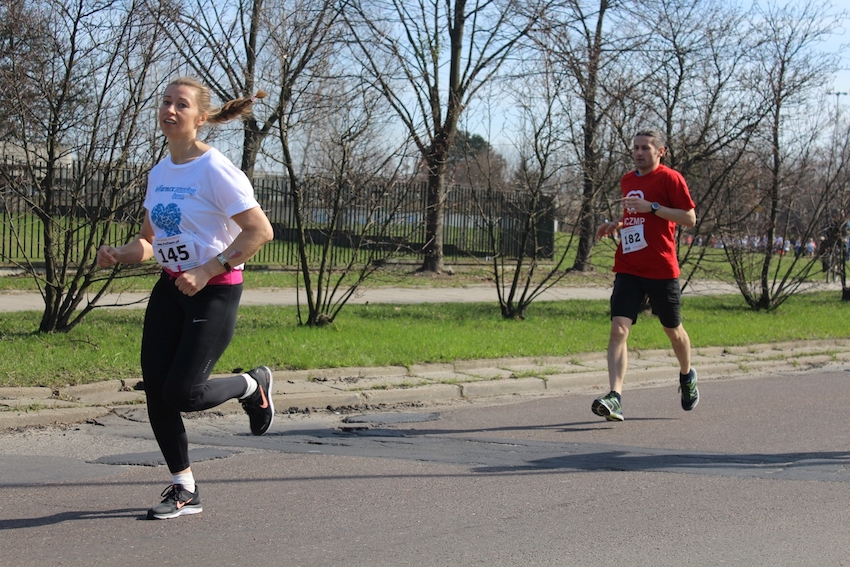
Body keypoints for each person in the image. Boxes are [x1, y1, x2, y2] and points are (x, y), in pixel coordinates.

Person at [96, 77, 276, 519]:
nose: (170, 110)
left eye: (181, 104)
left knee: (183, 392)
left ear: (200, 118)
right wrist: (120, 253)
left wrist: (208, 269)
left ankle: (251, 385)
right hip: (172, 287)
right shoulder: (160, 172)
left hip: (213, 290)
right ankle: (184, 486)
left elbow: (260, 231)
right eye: (166, 102)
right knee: (157, 391)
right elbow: (150, 240)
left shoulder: (215, 169)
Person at [593, 129, 698, 421]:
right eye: (636, 148)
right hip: (629, 265)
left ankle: (687, 375)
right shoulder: (627, 179)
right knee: (618, 329)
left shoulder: (670, 179)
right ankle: (615, 397)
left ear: (659, 151)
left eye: (645, 148)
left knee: (673, 331)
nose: (639, 153)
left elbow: (689, 218)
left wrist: (653, 208)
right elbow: (634, 215)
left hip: (661, 268)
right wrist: (616, 224)